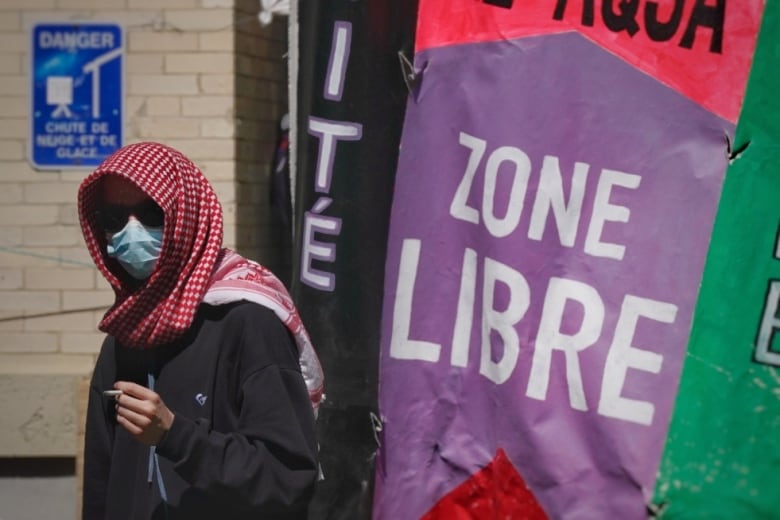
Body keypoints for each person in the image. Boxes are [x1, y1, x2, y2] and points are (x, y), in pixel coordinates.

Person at [77, 141, 324, 520]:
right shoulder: (125, 334)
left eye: (149, 214)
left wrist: (175, 435)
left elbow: (286, 476)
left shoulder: (247, 321)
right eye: (114, 218)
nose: (132, 233)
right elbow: (102, 481)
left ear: (185, 216)